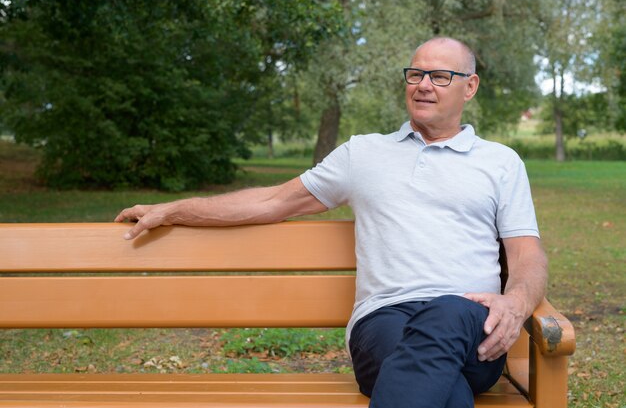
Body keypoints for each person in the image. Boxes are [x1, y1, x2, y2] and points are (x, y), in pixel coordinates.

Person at [115, 37, 547, 408]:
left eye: (439, 77)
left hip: (472, 324)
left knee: (447, 313)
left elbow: (526, 255)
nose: (423, 86)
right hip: (384, 322)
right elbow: (272, 200)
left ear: (469, 87)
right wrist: (173, 210)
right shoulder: (363, 154)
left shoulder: (500, 163)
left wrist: (515, 304)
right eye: (415, 75)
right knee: (439, 386)